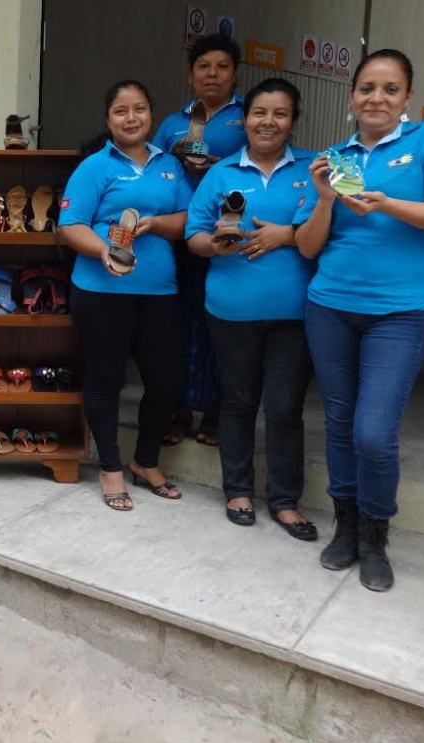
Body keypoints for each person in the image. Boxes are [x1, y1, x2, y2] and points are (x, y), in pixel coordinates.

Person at [295, 49, 424, 591]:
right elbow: (308, 247)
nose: (376, 98)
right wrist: (326, 200)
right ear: (352, 96)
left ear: (406, 98)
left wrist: (386, 204)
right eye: (367, 88)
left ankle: (376, 533)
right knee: (337, 422)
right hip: (329, 305)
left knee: (373, 433)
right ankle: (345, 525)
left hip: (399, 312)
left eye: (390, 89)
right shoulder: (336, 156)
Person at [186, 78, 317, 540]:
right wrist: (215, 247)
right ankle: (237, 491)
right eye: (260, 112)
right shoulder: (221, 173)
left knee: (284, 407)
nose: (268, 122)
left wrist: (287, 233)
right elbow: (194, 235)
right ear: (245, 119)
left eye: (280, 114)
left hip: (295, 314)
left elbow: (325, 231)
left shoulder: (312, 170)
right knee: (237, 402)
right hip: (231, 309)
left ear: (293, 121)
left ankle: (284, 501)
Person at [58, 80, 189, 511]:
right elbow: (69, 225)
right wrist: (102, 251)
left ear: (152, 115)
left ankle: (145, 460)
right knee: (106, 378)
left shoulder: (169, 165)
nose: (130, 118)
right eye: (120, 111)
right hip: (101, 290)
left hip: (159, 292)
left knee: (166, 380)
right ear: (108, 119)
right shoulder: (95, 167)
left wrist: (157, 224)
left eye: (139, 109)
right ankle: (111, 467)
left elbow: (190, 219)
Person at [154, 33, 248, 448]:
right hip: (177, 236)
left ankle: (214, 410)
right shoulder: (173, 123)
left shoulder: (247, 119)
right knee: (176, 324)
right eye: (203, 67)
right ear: (191, 76)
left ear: (235, 74)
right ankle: (176, 409)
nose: (212, 74)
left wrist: (218, 167)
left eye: (221, 66)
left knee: (218, 326)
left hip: (225, 235)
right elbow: (153, 172)